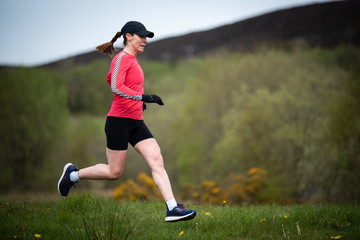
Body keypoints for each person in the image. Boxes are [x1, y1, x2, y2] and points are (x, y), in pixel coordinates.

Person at [57, 21, 196, 222]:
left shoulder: (131, 59)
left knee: (157, 159)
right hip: (119, 122)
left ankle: (172, 208)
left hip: (136, 121)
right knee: (114, 172)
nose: (145, 41)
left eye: (147, 37)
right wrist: (142, 97)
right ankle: (72, 175)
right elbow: (115, 85)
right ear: (128, 36)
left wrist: (136, 100)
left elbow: (111, 79)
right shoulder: (122, 58)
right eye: (142, 36)